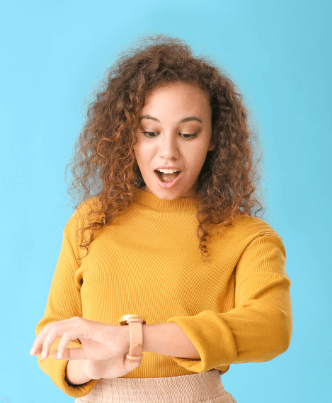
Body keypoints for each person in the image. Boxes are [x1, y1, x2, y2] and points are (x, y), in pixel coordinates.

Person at [30, 34, 292, 402]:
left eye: (187, 133)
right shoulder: (92, 219)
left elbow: (271, 327)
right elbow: (54, 335)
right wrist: (91, 367)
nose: (168, 152)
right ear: (128, 136)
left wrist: (133, 337)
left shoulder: (249, 237)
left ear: (213, 137)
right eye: (150, 132)